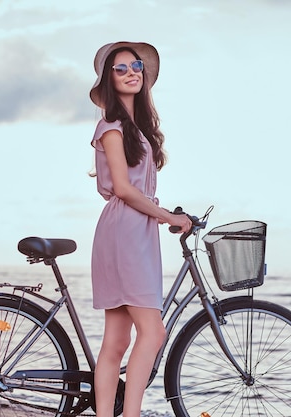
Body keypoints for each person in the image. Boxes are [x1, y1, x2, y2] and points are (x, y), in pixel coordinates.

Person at [89, 41, 192, 417]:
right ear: (108, 79)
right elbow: (123, 188)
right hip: (127, 232)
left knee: (117, 341)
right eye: (121, 68)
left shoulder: (137, 128)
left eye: (136, 66)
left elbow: (135, 190)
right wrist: (168, 217)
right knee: (154, 332)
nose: (132, 72)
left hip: (131, 230)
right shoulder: (111, 126)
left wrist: (161, 213)